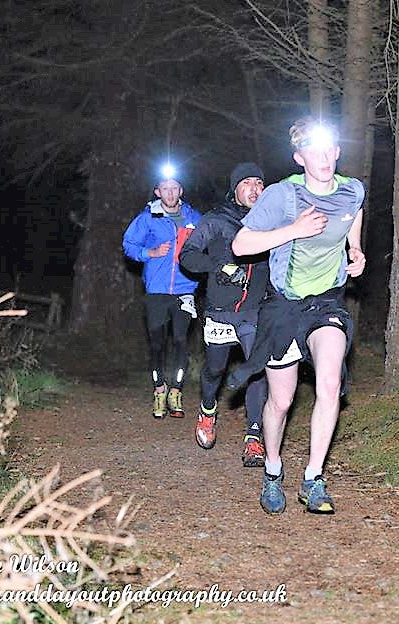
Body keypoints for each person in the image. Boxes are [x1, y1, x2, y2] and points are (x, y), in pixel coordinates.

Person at [231, 117, 366, 515]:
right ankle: (273, 470)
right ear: (299, 156)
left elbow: (353, 215)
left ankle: (313, 478)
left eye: (329, 149)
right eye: (314, 150)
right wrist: (293, 229)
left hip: (327, 303)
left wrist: (354, 251)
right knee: (282, 400)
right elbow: (241, 245)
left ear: (337, 151)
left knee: (329, 384)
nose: (323, 157)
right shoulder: (282, 195)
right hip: (284, 305)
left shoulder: (352, 190)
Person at [178, 162, 270, 465]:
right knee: (215, 369)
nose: (255, 189)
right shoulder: (216, 220)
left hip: (256, 311)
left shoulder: (272, 221)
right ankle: (207, 411)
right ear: (235, 189)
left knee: (258, 370)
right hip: (220, 311)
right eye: (247, 183)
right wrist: (217, 267)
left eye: (259, 182)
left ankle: (253, 437)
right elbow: (188, 256)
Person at [122, 168, 202, 419]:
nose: (170, 192)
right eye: (164, 188)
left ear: (181, 190)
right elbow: (129, 245)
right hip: (156, 291)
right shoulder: (148, 218)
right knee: (157, 343)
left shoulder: (193, 217)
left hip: (185, 290)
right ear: (158, 191)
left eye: (174, 187)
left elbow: (208, 245)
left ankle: (176, 391)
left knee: (180, 341)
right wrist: (150, 253)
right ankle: (159, 391)